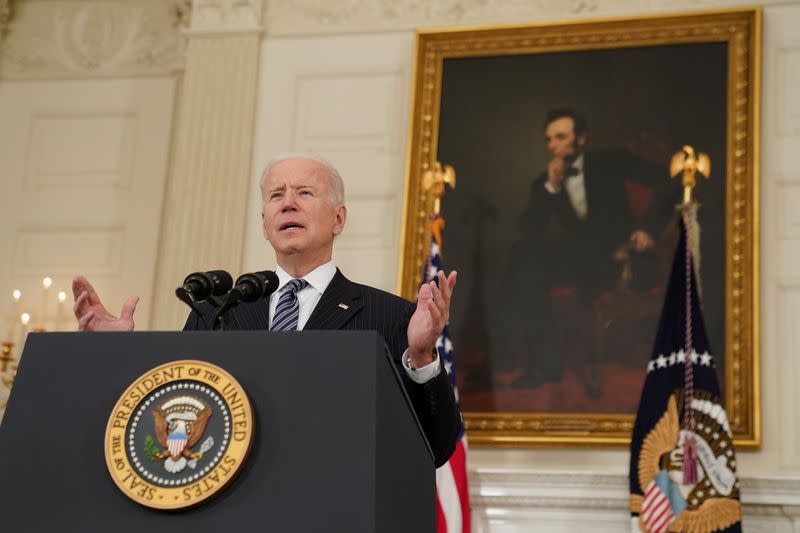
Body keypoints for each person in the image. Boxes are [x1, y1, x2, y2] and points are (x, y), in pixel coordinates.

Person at [72, 153, 461, 467]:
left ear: (338, 219)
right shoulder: (217, 310)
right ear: (264, 222)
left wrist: (422, 357)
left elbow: (437, 447)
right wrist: (115, 356)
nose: (288, 202)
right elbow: (176, 407)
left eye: (305, 193)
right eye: (276, 195)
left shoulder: (392, 316)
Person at [495, 108, 666, 392]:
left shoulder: (611, 161)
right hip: (582, 262)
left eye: (561, 137)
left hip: (621, 257)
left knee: (525, 263)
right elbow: (529, 229)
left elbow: (667, 179)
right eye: (549, 139)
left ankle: (519, 358)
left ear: (582, 139)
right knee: (524, 255)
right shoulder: (546, 180)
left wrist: (649, 229)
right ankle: (542, 364)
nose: (553, 146)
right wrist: (551, 186)